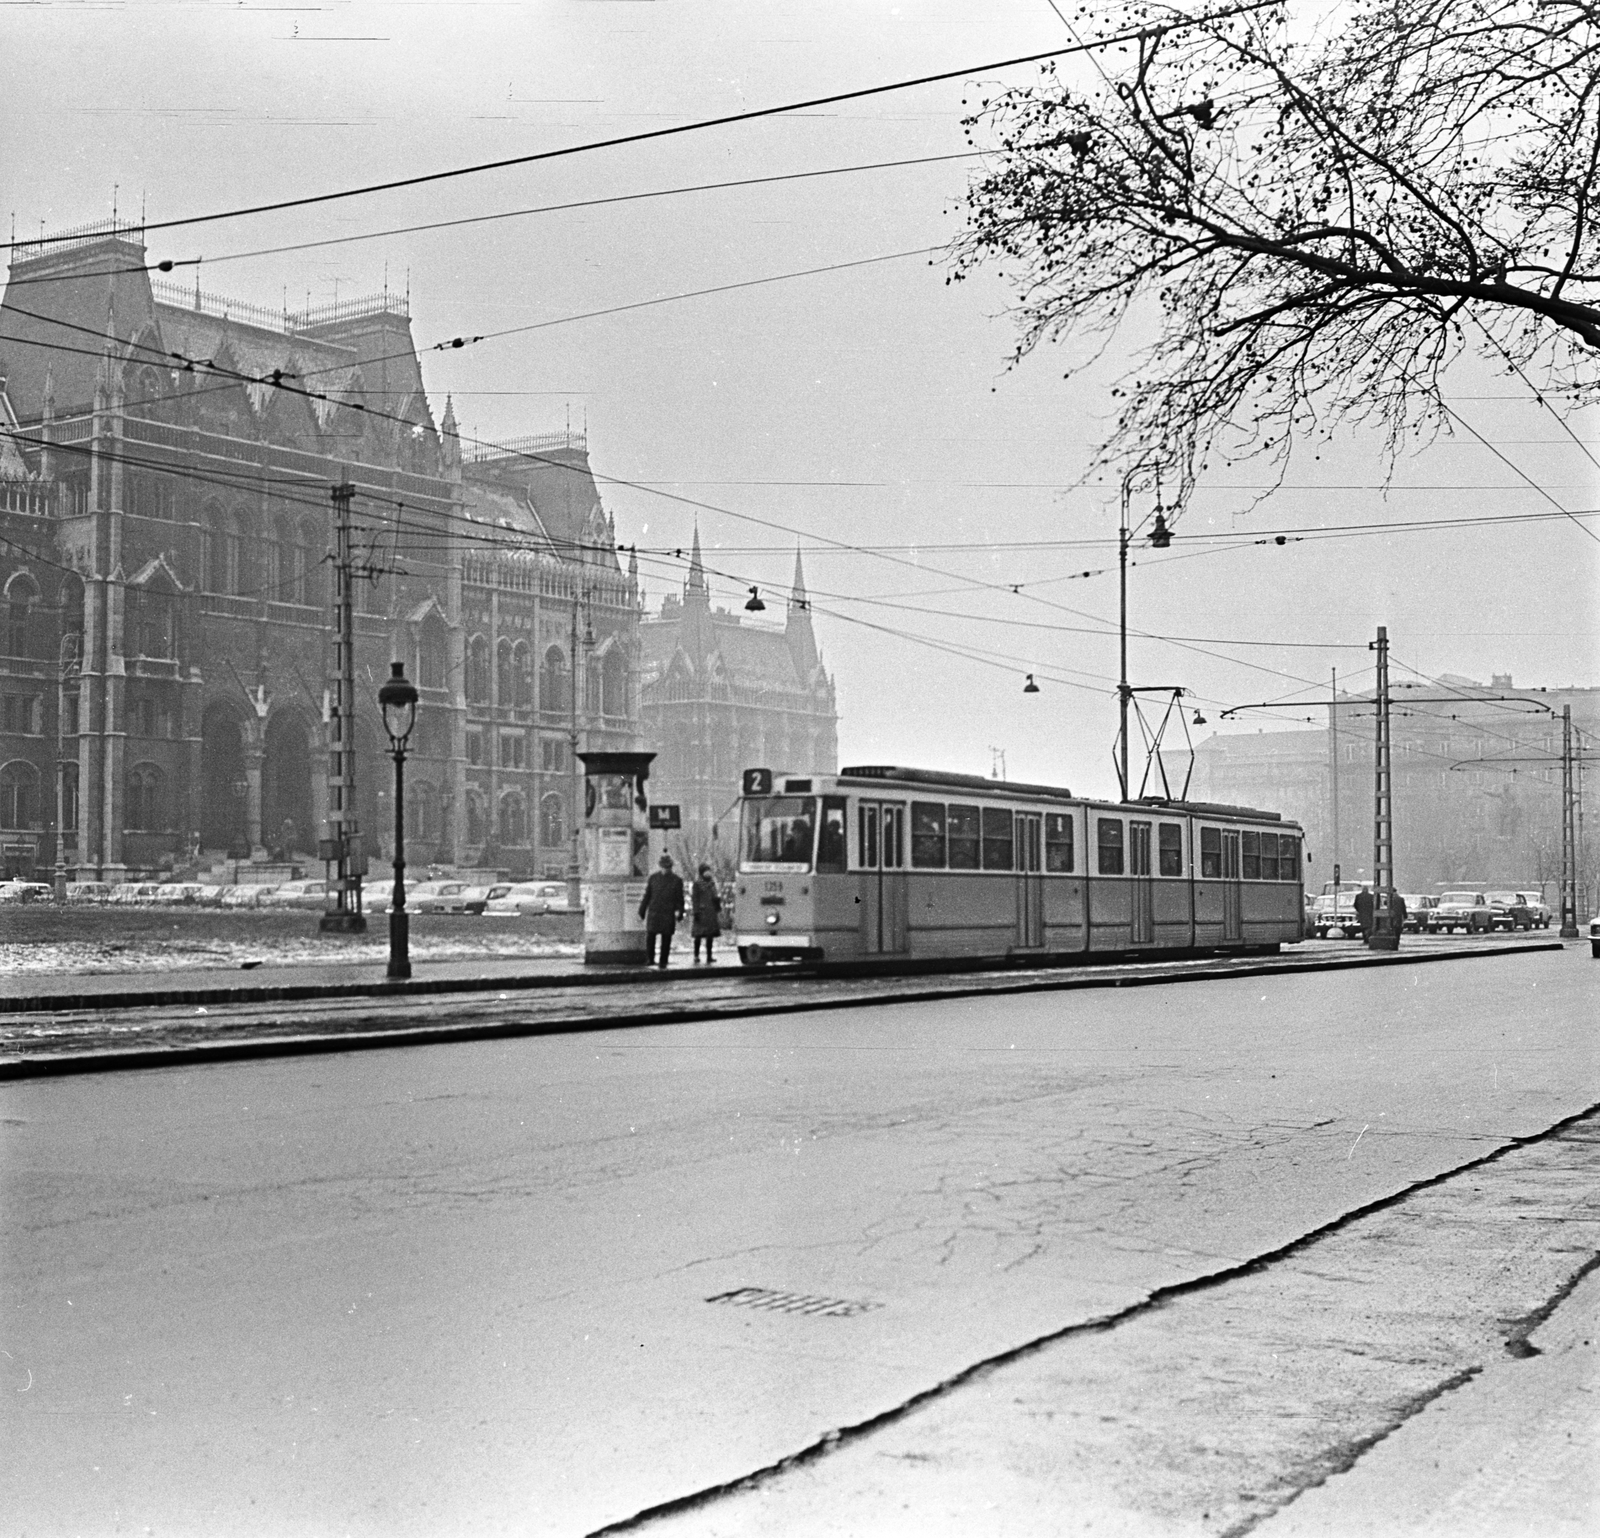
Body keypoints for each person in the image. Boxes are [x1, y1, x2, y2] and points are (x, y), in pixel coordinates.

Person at [638, 853, 685, 968]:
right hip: (655, 911)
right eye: (664, 867)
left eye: (668, 867)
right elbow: (647, 895)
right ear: (660, 866)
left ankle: (663, 960)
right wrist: (642, 911)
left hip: (667, 912)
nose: (666, 869)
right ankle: (650, 959)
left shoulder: (676, 880)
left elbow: (679, 898)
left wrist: (680, 911)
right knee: (651, 936)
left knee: (666, 937)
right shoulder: (653, 878)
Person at [691, 863, 723, 964]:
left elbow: (715, 896)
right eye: (706, 871)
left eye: (709, 870)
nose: (708, 873)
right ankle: (696, 955)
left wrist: (717, 905)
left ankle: (709, 956)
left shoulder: (712, 883)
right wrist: (696, 911)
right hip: (701, 912)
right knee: (698, 935)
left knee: (710, 935)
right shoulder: (697, 884)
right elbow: (695, 899)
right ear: (702, 872)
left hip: (711, 912)